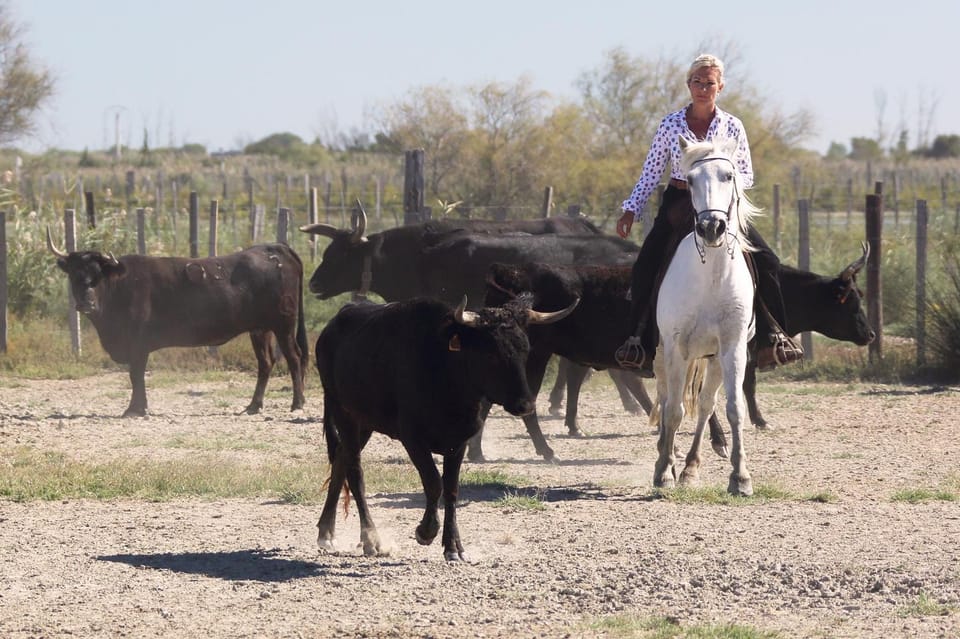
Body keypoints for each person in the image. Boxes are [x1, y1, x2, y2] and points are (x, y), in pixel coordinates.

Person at [614, 53, 801, 377]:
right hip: (680, 201)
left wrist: (722, 188)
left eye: (709, 83)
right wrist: (631, 208)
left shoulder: (732, 126)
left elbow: (746, 173)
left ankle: (774, 339)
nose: (703, 88)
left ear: (720, 86)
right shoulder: (670, 124)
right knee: (646, 264)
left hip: (722, 204)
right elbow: (651, 171)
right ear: (689, 85)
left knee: (767, 261)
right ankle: (638, 343)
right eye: (697, 82)